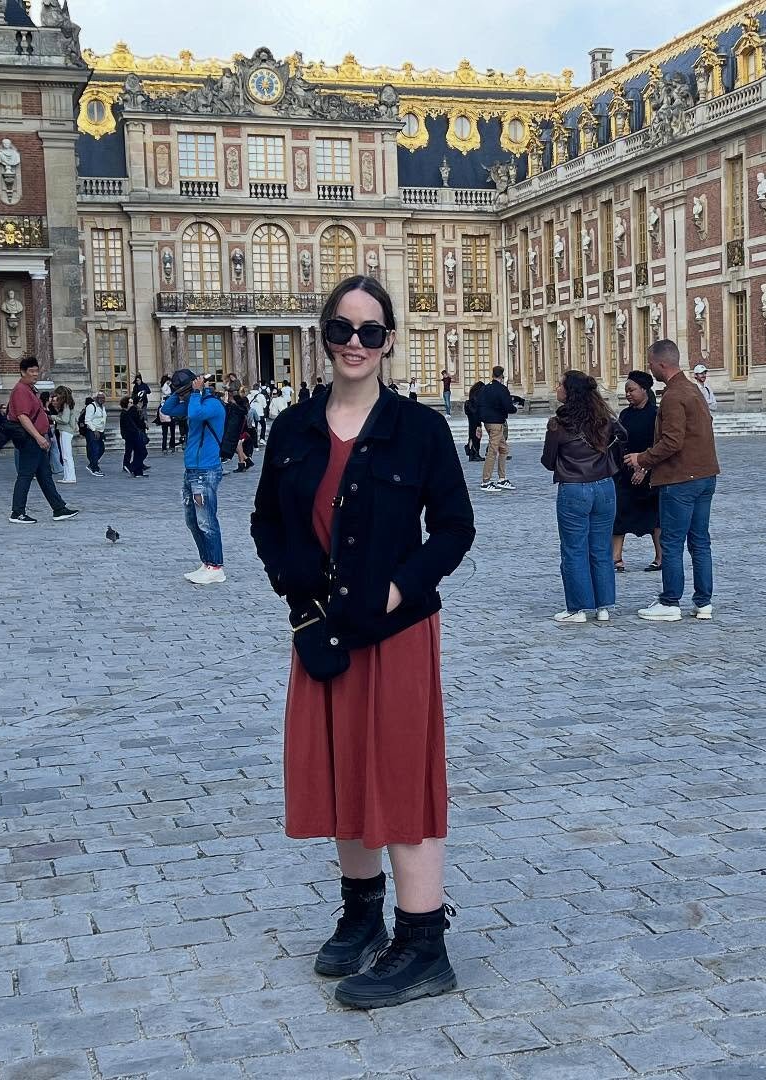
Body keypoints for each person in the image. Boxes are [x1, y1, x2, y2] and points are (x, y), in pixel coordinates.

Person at [252, 274, 475, 1010]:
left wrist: (397, 589)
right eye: (342, 329)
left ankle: (424, 943)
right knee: (341, 768)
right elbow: (266, 521)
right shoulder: (293, 429)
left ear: (388, 341)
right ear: (324, 337)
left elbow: (454, 528)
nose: (355, 343)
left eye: (370, 331)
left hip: (395, 633)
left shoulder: (420, 429)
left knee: (403, 777)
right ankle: (362, 910)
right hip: (321, 630)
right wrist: (292, 586)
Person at [623, 340, 720, 622]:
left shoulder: (673, 396)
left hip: (681, 479)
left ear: (661, 364)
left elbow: (672, 441)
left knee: (672, 541)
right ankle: (703, 602)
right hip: (705, 475)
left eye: (651, 364)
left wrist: (642, 459)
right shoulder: (693, 390)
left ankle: (670, 601)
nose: (650, 369)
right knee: (700, 541)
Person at [542, 370, 624, 624]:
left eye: (560, 385)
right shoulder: (604, 419)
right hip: (604, 486)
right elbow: (623, 438)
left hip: (574, 487)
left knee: (574, 549)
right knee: (601, 548)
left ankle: (578, 608)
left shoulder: (558, 424)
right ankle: (603, 606)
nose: (557, 388)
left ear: (570, 392)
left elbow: (548, 461)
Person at [162, 368, 227, 584]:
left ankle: (216, 566)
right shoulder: (193, 402)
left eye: (184, 391)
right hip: (192, 469)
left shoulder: (211, 404)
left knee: (206, 521)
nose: (183, 395)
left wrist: (197, 392)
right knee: (192, 521)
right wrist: (179, 393)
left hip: (205, 470)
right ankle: (207, 562)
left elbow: (195, 415)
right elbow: (167, 409)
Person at [6, 356, 80, 525]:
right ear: (22, 372)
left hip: (36, 439)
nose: (35, 374)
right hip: (30, 439)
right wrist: (38, 437)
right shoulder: (21, 390)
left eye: (36, 371)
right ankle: (17, 512)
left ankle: (59, 508)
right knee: (25, 475)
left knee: (45, 475)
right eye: (31, 371)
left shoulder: (30, 389)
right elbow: (23, 416)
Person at [612, 371, 662, 573]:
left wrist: (643, 467)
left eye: (631, 390)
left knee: (655, 517)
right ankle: (616, 558)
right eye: (626, 391)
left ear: (644, 389)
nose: (628, 394)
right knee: (619, 514)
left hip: (651, 474)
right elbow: (619, 443)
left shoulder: (656, 415)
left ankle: (660, 557)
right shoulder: (625, 415)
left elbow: (659, 444)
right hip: (625, 474)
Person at [479, 366, 517, 493]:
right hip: (496, 423)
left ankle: (502, 479)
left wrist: (478, 424)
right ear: (502, 376)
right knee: (493, 451)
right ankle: (486, 481)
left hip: (487, 422)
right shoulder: (502, 389)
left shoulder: (485, 388)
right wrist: (515, 408)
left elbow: (479, 405)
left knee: (504, 449)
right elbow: (508, 406)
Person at [50, 385, 79, 483]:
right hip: (66, 431)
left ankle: (70, 477)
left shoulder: (66, 405)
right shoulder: (68, 404)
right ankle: (67, 476)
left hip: (66, 430)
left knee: (67, 455)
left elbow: (65, 420)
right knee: (65, 455)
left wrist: (53, 417)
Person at [118, 393, 150, 477]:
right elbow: (129, 426)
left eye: (132, 403)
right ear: (126, 403)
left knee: (138, 453)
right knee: (142, 452)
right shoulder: (125, 413)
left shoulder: (128, 412)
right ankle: (131, 467)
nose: (132, 404)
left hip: (134, 435)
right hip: (132, 436)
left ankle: (138, 472)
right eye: (130, 403)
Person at [83, 393, 108, 475]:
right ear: (96, 398)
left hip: (100, 431)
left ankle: (92, 464)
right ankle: (94, 468)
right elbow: (87, 420)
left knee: (101, 449)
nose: (102, 399)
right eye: (100, 398)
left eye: (103, 398)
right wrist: (94, 430)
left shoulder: (102, 407)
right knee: (95, 449)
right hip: (92, 431)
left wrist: (102, 431)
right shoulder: (91, 406)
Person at [462, 382, 484, 462]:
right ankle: (475, 454)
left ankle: (472, 454)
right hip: (476, 421)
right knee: (476, 438)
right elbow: (476, 411)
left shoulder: (471, 398)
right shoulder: (476, 399)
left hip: (471, 421)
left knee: (472, 437)